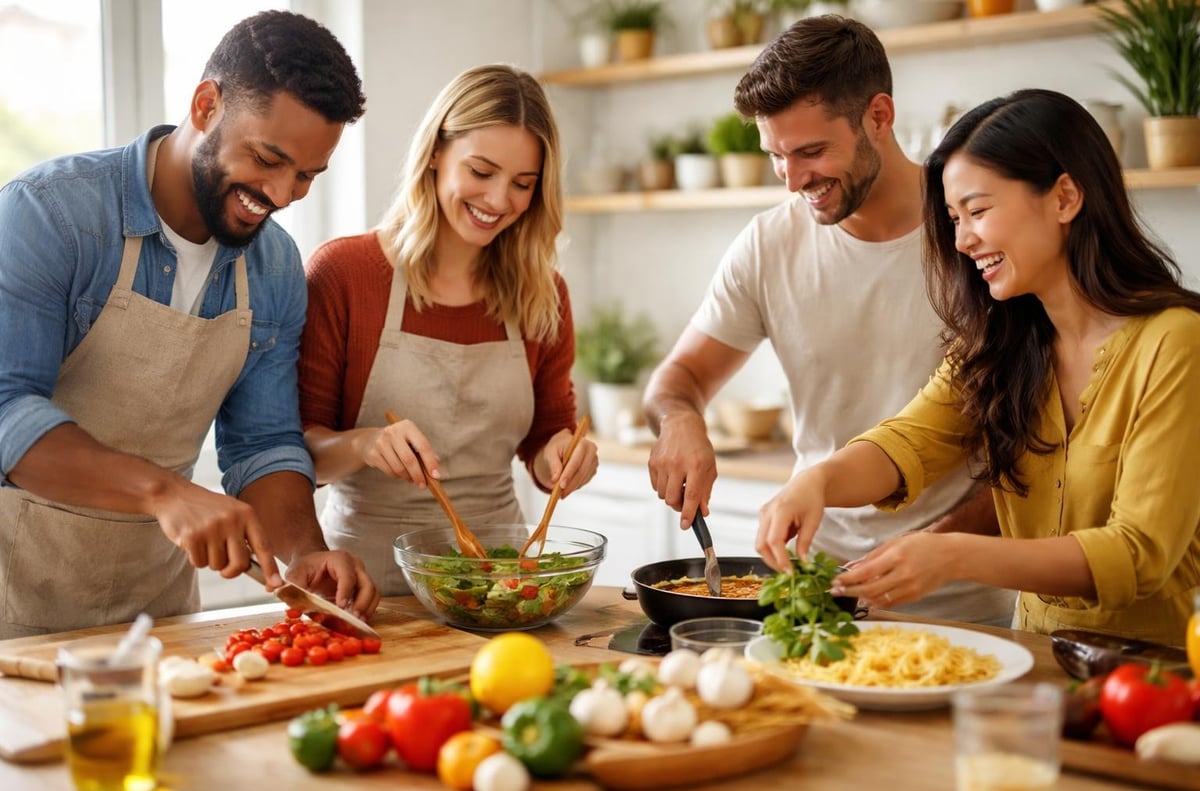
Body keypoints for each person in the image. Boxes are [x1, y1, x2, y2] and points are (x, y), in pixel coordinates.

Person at [757, 88, 1200, 647]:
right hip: (1033, 663)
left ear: (1064, 197)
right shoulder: (1003, 342)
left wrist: (953, 556)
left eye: (979, 210)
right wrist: (816, 482)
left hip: (1161, 684)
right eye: (952, 217)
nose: (963, 239)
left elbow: (1139, 554)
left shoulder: (1176, 343)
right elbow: (908, 442)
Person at [0, 11, 380, 639]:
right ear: (206, 105)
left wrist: (306, 553)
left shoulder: (276, 266)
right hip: (14, 604)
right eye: (267, 158)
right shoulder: (50, 215)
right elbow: (7, 411)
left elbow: (262, 445)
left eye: (307, 176)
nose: (283, 194)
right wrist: (165, 493)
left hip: (155, 612)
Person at [643, 16, 1014, 626]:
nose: (793, 181)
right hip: (814, 589)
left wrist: (935, 546)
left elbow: (1031, 447)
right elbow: (676, 378)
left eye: (811, 151)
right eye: (776, 157)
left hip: (960, 596)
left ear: (879, 116)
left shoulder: (973, 239)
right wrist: (680, 420)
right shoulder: (769, 244)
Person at [299, 64, 598, 595]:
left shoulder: (543, 294)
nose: (499, 200)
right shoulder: (344, 274)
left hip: (499, 581)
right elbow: (296, 453)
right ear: (436, 152)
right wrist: (365, 444)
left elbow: (545, 433)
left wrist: (559, 458)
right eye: (481, 172)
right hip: (363, 581)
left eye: (522, 184)